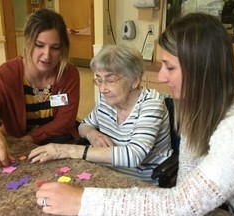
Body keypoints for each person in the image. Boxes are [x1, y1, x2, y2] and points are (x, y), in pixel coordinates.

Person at [35, 13, 234, 216]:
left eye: (169, 67)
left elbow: (182, 202)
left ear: (199, 68)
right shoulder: (195, 107)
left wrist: (82, 201)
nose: (160, 78)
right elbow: (186, 181)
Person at [28, 44, 173, 183]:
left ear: (134, 80)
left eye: (110, 80)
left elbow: (134, 155)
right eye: (98, 80)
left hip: (140, 184)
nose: (103, 89)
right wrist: (92, 133)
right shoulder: (107, 100)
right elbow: (83, 125)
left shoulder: (152, 105)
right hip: (106, 175)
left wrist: (68, 150)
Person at [0, 9, 80, 167]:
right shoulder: (6, 75)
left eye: (55, 48)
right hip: (21, 154)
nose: (47, 55)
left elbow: (65, 122)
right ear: (27, 43)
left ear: (62, 49)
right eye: (39, 45)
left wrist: (28, 139)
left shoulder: (69, 74)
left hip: (59, 144)